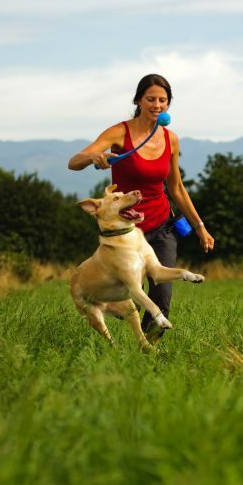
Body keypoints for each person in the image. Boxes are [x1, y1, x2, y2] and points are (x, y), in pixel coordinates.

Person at [68, 73, 214, 341]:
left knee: (161, 296)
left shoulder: (171, 139)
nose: (157, 105)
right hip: (125, 232)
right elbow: (73, 162)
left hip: (161, 225)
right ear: (138, 100)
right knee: (128, 293)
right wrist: (94, 157)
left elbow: (176, 187)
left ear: (168, 104)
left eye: (163, 100)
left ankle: (148, 353)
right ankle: (124, 335)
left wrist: (200, 226)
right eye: (151, 99)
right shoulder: (119, 132)